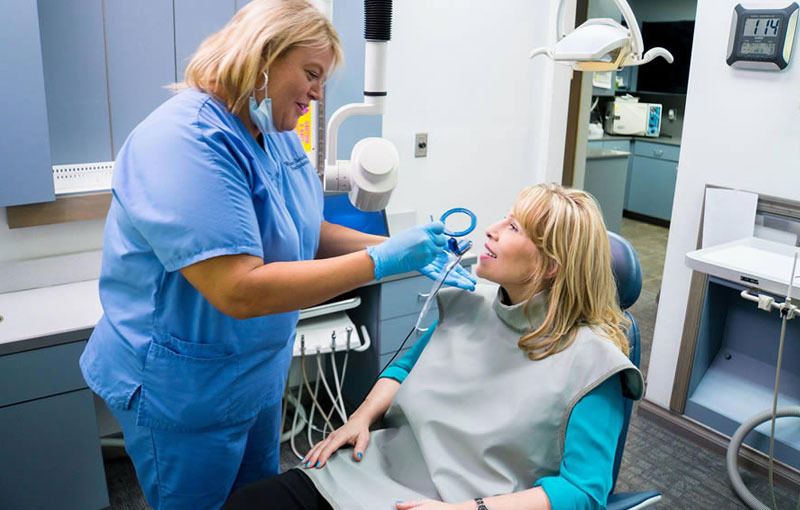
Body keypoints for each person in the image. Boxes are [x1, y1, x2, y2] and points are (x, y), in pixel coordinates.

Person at [79, 0, 475, 510]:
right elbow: (238, 290)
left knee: (257, 503)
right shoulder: (183, 142)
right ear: (263, 55)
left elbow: (302, 231)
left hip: (255, 380)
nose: (315, 93)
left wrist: (400, 245)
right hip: (185, 391)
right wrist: (381, 262)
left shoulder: (277, 130)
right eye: (311, 73)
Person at [222, 183, 645, 510]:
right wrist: (360, 418)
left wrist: (471, 508)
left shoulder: (596, 364)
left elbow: (584, 492)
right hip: (382, 467)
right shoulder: (468, 304)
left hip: (469, 499)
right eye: (505, 218)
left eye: (513, 228)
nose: (492, 231)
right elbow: (402, 369)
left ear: (550, 266)